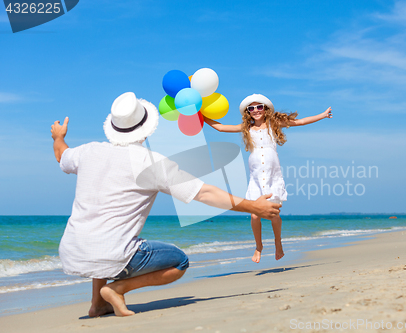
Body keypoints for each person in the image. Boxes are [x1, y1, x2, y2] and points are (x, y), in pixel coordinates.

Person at [51, 92, 281, 317]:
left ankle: (97, 304)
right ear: (146, 127)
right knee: (180, 261)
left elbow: (62, 156)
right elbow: (204, 193)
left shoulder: (90, 150)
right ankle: (116, 289)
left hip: (73, 252)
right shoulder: (150, 162)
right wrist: (253, 206)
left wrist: (58, 137)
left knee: (104, 232)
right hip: (113, 257)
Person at [204, 94, 332, 263]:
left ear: (265, 109)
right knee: (255, 215)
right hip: (256, 175)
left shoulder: (274, 124)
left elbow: (300, 122)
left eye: (259, 107)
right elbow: (220, 127)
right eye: (251, 108)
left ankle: (278, 242)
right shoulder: (246, 128)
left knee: (273, 214)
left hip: (273, 176)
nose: (256, 110)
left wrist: (322, 115)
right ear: (247, 112)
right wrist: (201, 115)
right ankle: (259, 246)